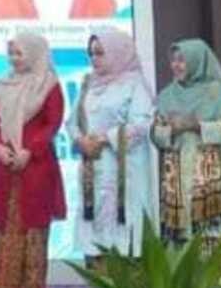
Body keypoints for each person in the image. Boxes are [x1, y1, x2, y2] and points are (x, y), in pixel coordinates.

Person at [151, 39, 221, 288]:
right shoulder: (167, 95)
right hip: (180, 178)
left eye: (182, 60)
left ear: (197, 61)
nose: (176, 65)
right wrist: (170, 130)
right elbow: (155, 134)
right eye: (173, 60)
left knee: (217, 237)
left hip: (215, 183)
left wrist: (197, 125)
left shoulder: (218, 92)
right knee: (184, 240)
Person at [0, 32, 66, 288]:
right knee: (3, 226)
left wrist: (30, 149)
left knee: (34, 227)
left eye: (19, 53)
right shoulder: (0, 85)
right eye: (11, 54)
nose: (14, 59)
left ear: (34, 53)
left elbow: (52, 122)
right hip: (4, 166)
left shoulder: (48, 85)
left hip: (35, 166)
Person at [67, 30, 156, 269]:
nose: (94, 59)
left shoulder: (134, 84)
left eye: (100, 53)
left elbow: (142, 123)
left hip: (123, 171)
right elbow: (73, 122)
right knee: (94, 230)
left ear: (117, 52)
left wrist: (105, 138)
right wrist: (80, 140)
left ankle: (124, 287)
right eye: (91, 54)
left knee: (122, 231)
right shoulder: (88, 83)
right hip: (92, 168)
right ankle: (99, 283)